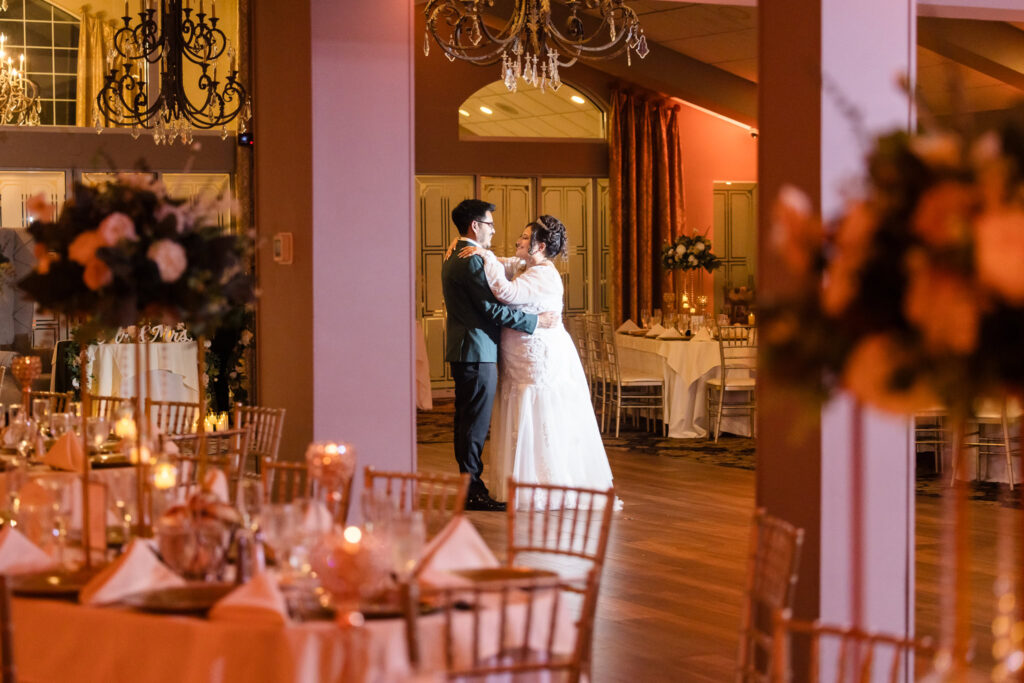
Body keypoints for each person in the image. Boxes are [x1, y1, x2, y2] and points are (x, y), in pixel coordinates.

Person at [458, 215, 620, 510]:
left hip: (535, 360)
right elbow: (511, 263)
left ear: (539, 246)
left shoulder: (543, 275)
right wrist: (491, 256)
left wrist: (483, 255)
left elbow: (506, 292)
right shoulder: (530, 266)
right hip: (520, 358)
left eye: (524, 237)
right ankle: (522, 481)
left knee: (536, 413)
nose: (518, 241)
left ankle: (543, 485)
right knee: (522, 410)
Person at [442, 199, 559, 511]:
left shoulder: (460, 251)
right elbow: (492, 307)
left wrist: (487, 254)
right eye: (490, 224)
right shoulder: (469, 259)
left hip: (469, 348)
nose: (494, 231)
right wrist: (535, 321)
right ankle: (472, 490)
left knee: (468, 422)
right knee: (474, 425)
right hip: (476, 350)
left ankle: (469, 485)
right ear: (475, 226)